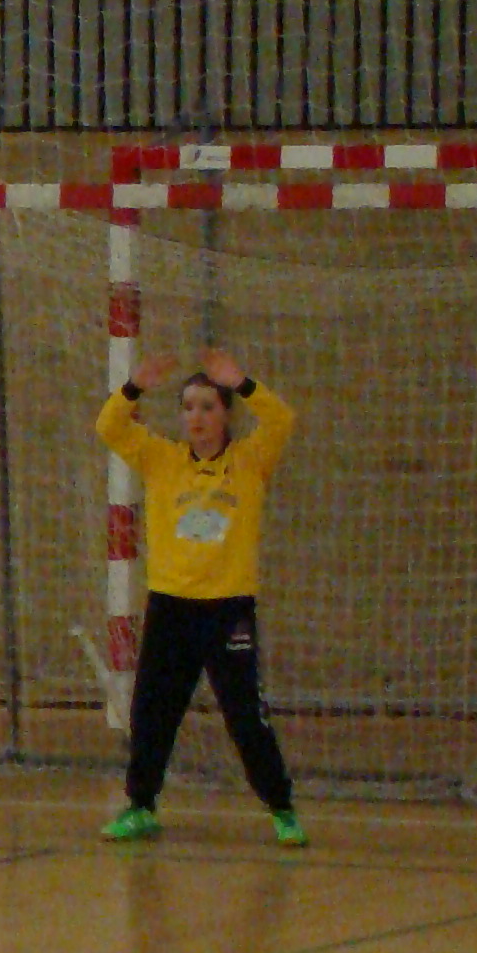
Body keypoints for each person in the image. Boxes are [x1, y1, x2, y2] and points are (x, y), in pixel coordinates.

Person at [93, 347, 304, 847]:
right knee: (153, 711)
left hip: (228, 609)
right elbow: (109, 427)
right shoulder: (162, 459)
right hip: (171, 607)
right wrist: (134, 387)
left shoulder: (249, 461)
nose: (197, 417)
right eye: (188, 407)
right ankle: (141, 806)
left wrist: (243, 382)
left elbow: (282, 420)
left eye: (208, 406)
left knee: (244, 716)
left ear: (226, 414)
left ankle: (282, 809)